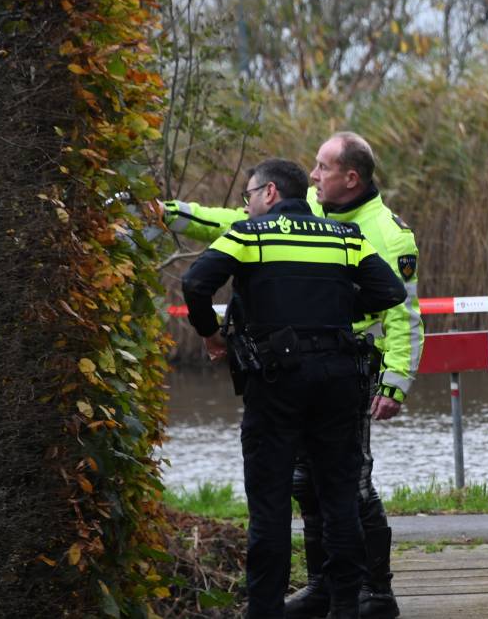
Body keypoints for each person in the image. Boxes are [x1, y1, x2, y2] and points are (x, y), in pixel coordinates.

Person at [164, 132, 422, 618]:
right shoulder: (338, 231)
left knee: (320, 495)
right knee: (325, 489)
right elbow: (386, 292)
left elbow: (405, 312)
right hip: (336, 376)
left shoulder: (385, 231)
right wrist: (172, 212)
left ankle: (373, 593)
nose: (316, 174)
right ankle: (336, 596)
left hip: (306, 379)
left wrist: (394, 380)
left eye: (324, 166)